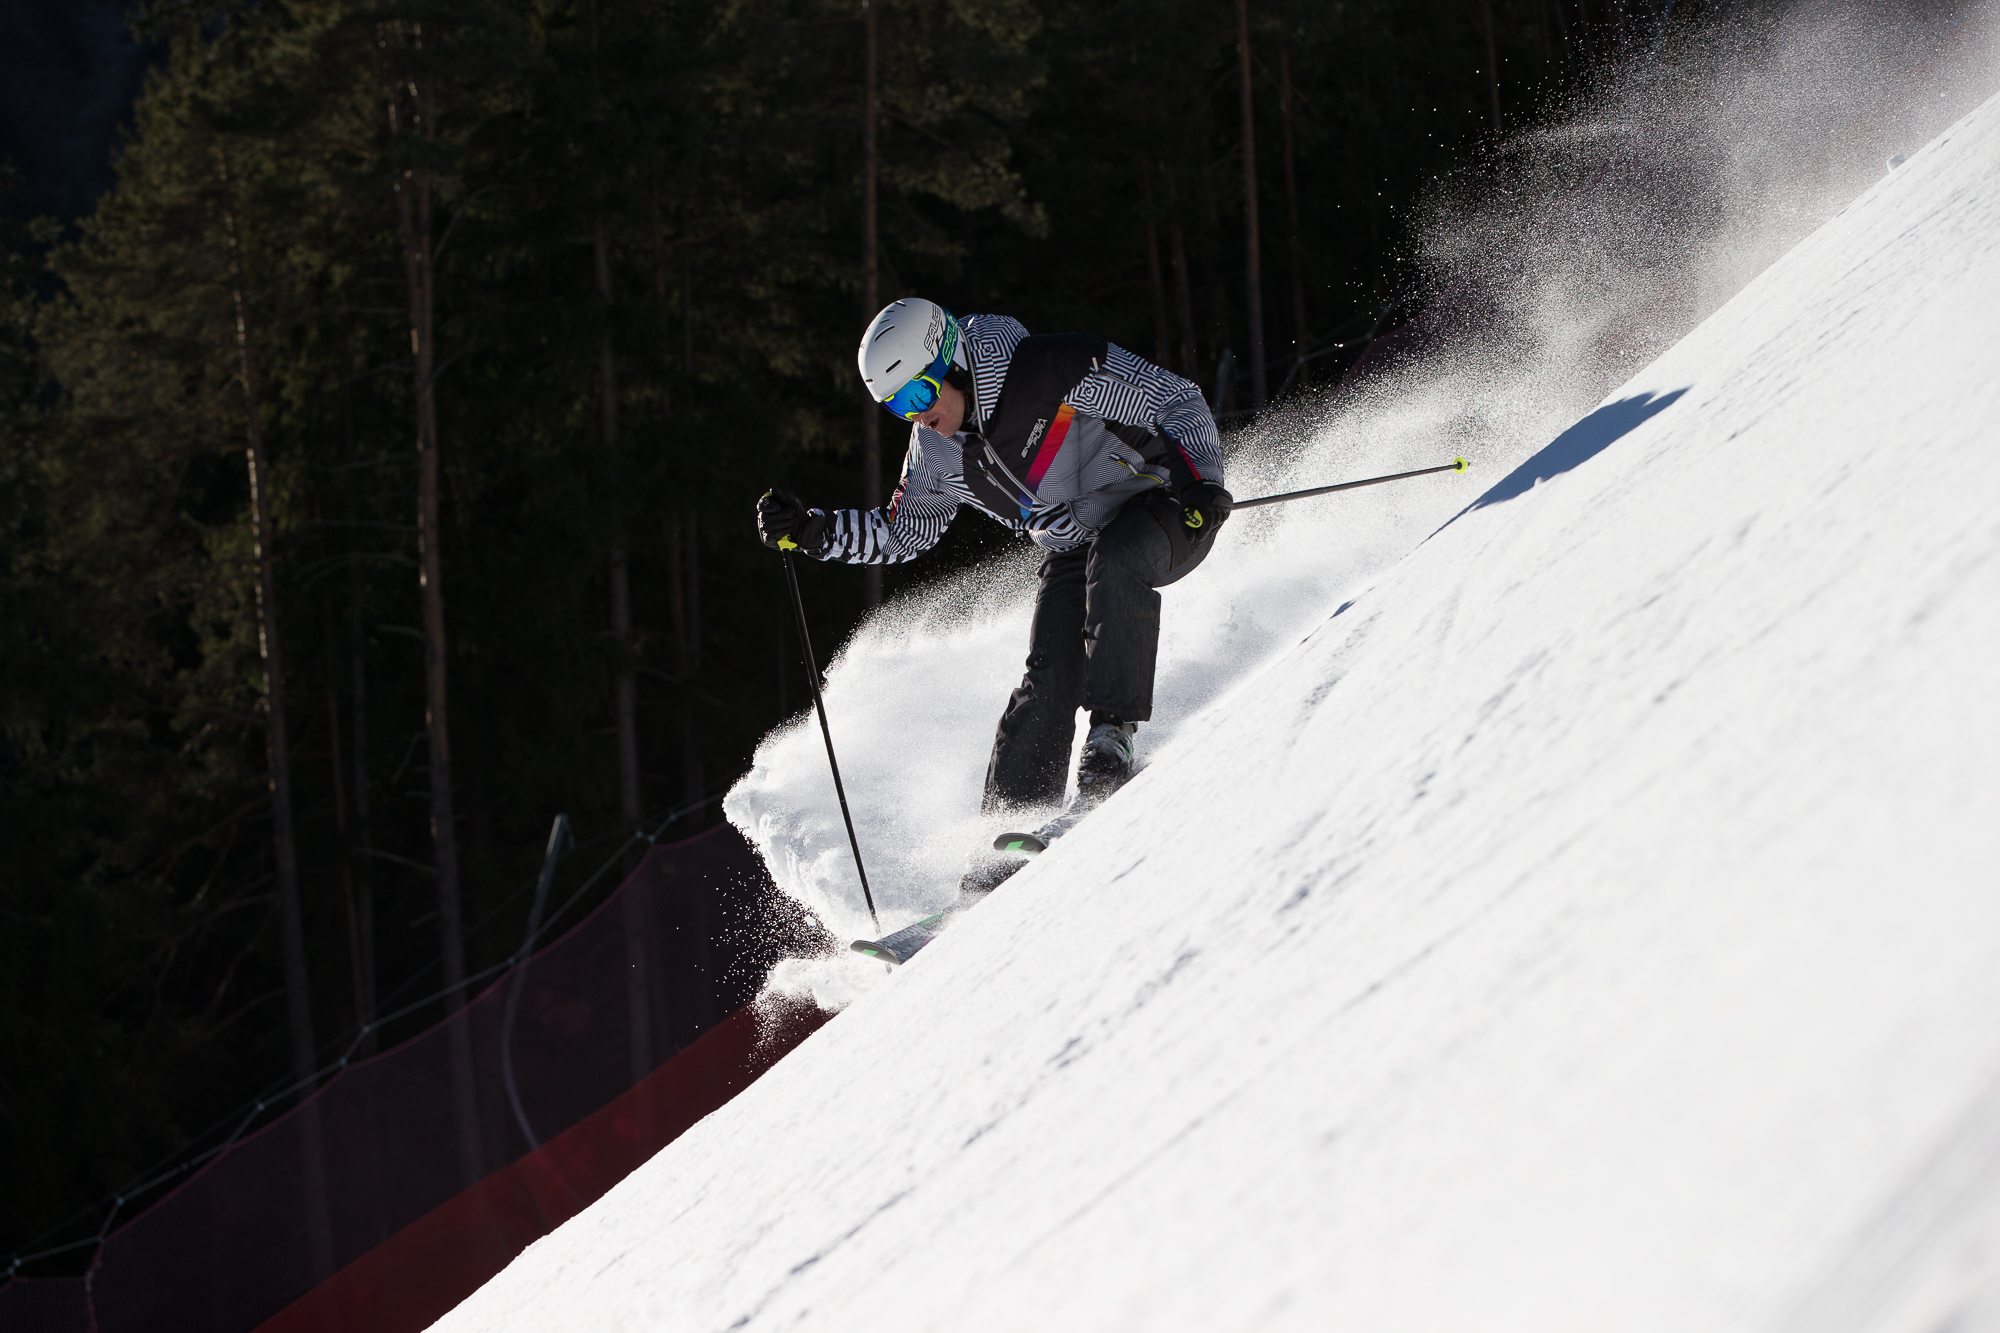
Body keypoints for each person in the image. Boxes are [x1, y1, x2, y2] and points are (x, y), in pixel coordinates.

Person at [756, 297, 1231, 820]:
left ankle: (1111, 737)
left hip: (1164, 503)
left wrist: (1202, 482)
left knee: (1116, 560)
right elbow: (904, 530)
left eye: (919, 392)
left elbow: (1174, 400)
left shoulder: (1047, 369)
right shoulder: (936, 450)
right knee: (1048, 676)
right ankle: (1006, 834)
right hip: (1074, 544)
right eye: (897, 406)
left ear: (951, 362)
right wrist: (812, 532)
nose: (917, 415)